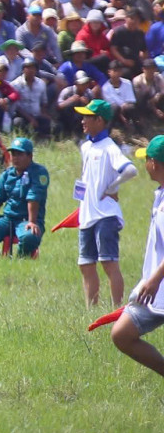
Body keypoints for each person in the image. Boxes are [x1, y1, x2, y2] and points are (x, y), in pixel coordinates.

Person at [111, 134, 164, 376]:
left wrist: (153, 280)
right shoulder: (160, 194)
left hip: (157, 285)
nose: (145, 165)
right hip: (153, 289)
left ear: (155, 163)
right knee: (122, 334)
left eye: (147, 159)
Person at [77, 97, 138, 308]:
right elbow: (84, 176)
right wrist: (80, 203)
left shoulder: (109, 147)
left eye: (87, 116)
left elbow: (130, 170)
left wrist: (112, 187)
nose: (83, 120)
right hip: (87, 214)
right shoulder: (86, 147)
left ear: (100, 120)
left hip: (105, 214)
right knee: (85, 264)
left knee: (108, 261)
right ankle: (91, 309)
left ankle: (117, 308)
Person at [0, 136, 49, 257]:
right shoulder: (7, 174)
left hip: (27, 219)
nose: (15, 158)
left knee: (29, 236)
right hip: (8, 219)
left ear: (30, 156)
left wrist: (32, 222)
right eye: (13, 154)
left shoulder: (39, 172)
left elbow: (34, 197)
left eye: (20, 154)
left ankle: (21, 260)